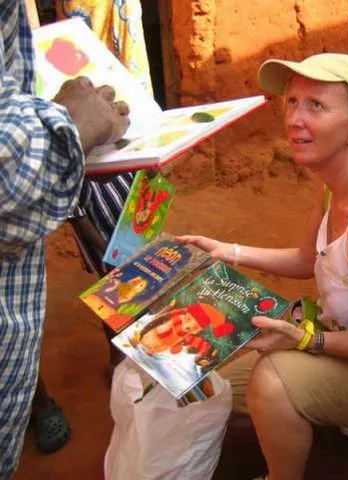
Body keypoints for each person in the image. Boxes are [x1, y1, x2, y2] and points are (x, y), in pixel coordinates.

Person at [178, 53, 348, 480]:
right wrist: (229, 251)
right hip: (347, 347)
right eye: (293, 102)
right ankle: (328, 400)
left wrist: (304, 340)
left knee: (271, 381)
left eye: (316, 105)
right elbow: (307, 259)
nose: (295, 119)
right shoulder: (336, 190)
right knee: (214, 375)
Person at [0, 1, 129, 475]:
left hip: (94, 129)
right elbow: (11, 180)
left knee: (116, 248)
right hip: (56, 133)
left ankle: (119, 345)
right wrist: (70, 125)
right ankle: (38, 401)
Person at [29, 0, 153, 455]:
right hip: (63, 147)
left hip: (116, 148)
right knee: (103, 266)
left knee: (126, 261)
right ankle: (37, 400)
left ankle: (126, 348)